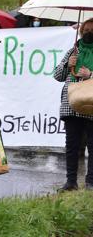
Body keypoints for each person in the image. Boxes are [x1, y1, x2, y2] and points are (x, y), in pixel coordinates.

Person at [54, 18, 93, 191]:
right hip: (71, 104)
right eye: (86, 30)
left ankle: (90, 182)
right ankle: (71, 182)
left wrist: (90, 73)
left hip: (91, 104)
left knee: (92, 145)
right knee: (72, 146)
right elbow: (57, 75)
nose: (88, 33)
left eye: (92, 30)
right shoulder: (73, 51)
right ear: (81, 31)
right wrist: (67, 65)